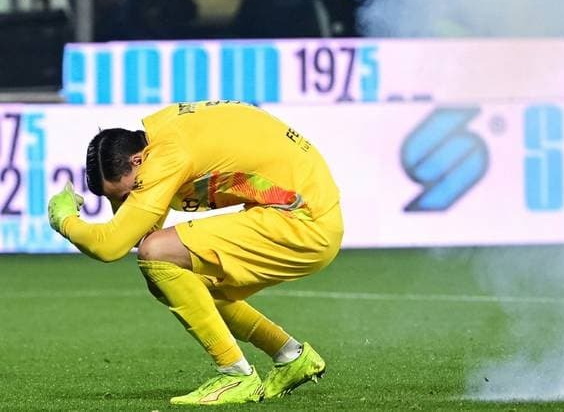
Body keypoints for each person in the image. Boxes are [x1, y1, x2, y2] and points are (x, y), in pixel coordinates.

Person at [46, 101, 344, 405]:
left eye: (129, 192)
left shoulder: (168, 155)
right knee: (179, 281)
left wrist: (65, 221)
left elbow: (110, 246)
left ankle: (236, 375)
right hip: (299, 212)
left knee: (157, 255)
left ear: (137, 160)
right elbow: (137, 234)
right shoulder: (160, 142)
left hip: (303, 220)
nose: (127, 202)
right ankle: (291, 355)